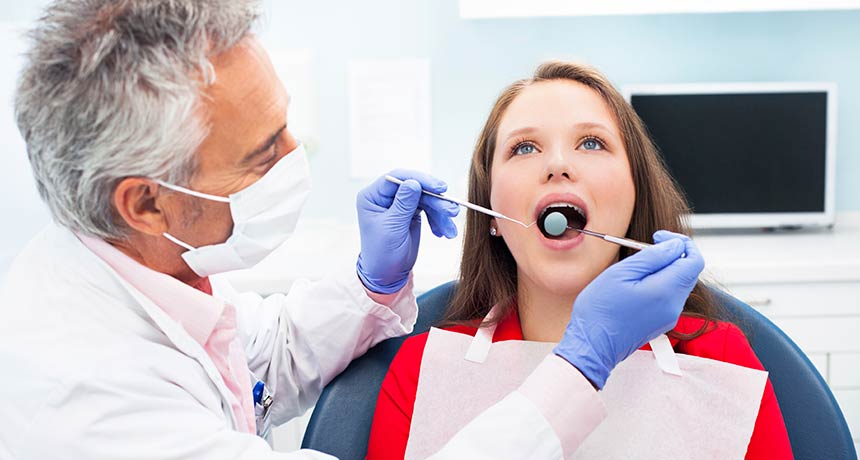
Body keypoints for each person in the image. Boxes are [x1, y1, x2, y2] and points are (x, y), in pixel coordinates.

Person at [0, 2, 707, 459]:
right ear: (146, 205)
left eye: (592, 144)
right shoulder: (87, 403)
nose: (294, 158)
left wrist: (372, 283)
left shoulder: (144, 276)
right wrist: (584, 363)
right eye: (262, 152)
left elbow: (263, 357)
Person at [367, 61, 794, 459]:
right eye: (524, 147)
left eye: (591, 142)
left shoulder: (719, 359)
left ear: (634, 195)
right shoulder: (424, 370)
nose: (557, 164)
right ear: (492, 214)